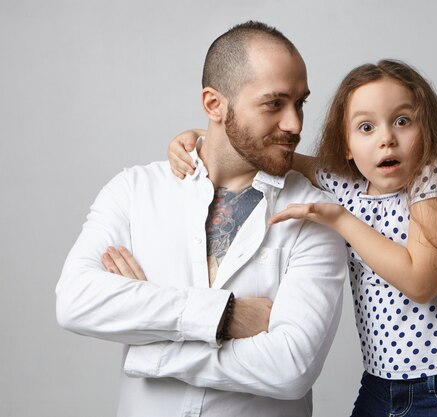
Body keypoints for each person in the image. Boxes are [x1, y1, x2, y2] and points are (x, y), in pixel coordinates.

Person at [168, 59, 437, 416]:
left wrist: (340, 219)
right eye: (366, 127)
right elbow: (272, 155)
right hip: (383, 381)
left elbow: (421, 281)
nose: (386, 138)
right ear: (348, 147)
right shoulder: (349, 186)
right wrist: (196, 139)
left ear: (428, 129)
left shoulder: (435, 175)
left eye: (403, 121)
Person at [56, 21, 348, 417]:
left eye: (300, 103)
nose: (295, 123)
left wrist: (149, 345)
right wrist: (227, 316)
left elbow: (291, 367)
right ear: (214, 104)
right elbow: (76, 301)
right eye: (274, 103)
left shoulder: (316, 214)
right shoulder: (136, 190)